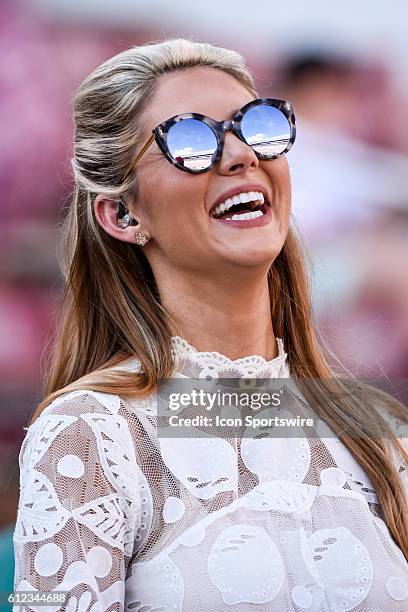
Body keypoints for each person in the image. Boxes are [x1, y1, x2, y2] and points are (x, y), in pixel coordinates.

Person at [12, 39, 408, 611]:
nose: (242, 155)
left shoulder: (376, 432)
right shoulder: (93, 433)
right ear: (123, 214)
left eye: (258, 127)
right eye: (191, 139)